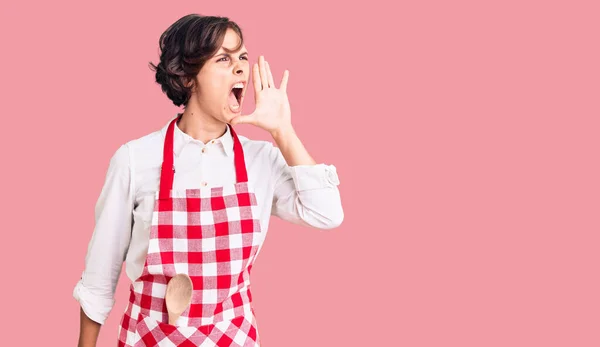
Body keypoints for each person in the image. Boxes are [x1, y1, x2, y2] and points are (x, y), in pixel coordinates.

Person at [73, 13, 344, 347]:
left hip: (233, 338)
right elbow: (100, 275)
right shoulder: (135, 159)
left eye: (242, 56)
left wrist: (282, 131)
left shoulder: (262, 160)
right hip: (149, 338)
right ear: (188, 78)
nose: (242, 68)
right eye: (224, 58)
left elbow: (327, 213)